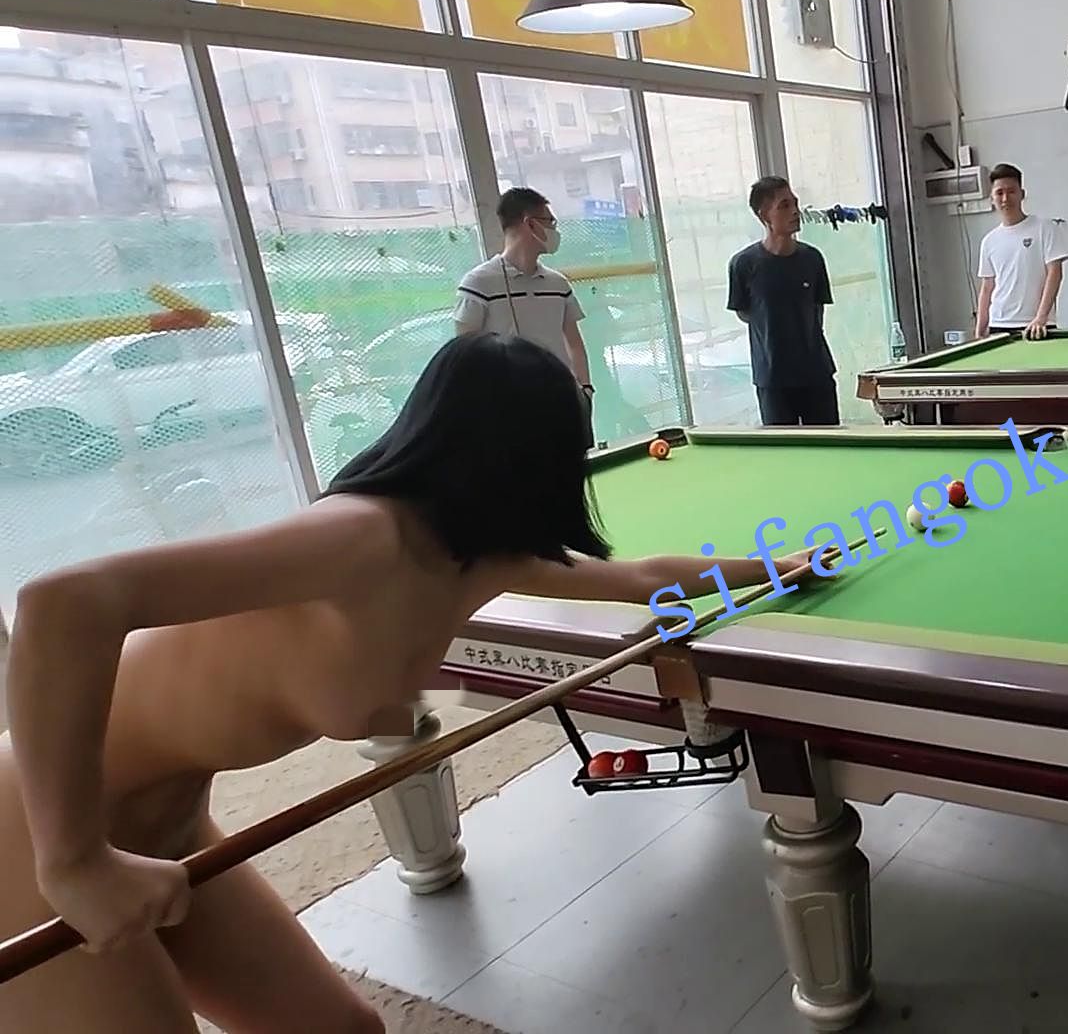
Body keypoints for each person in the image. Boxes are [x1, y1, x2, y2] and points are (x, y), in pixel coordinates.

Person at [0, 333, 821, 1032]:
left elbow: (642, 576)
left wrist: (776, 567)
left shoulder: (480, 556)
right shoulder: (358, 538)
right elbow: (62, 606)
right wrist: (74, 861)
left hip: (171, 825)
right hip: (36, 830)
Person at [455, 188, 594, 406]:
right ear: (531, 224)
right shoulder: (478, 283)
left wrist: (585, 390)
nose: (554, 230)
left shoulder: (558, 284)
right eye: (550, 222)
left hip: (560, 398)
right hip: (507, 403)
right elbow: (464, 353)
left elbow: (574, 343)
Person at [728, 176, 840, 426]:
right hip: (772, 379)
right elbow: (744, 312)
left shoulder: (812, 259)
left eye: (795, 203)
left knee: (827, 443)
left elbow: (818, 308)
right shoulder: (743, 264)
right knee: (782, 445)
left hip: (816, 374)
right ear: (763, 215)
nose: (795, 211)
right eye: (784, 205)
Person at [975, 163, 1068, 341]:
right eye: (999, 193)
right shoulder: (989, 241)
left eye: (1011, 191)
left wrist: (1041, 317)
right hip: (999, 324)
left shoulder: (1045, 228)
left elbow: (1055, 274)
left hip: (1037, 325)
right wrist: (980, 327)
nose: (1005, 198)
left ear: (1022, 194)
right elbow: (987, 287)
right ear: (992, 198)